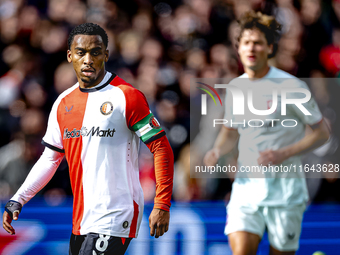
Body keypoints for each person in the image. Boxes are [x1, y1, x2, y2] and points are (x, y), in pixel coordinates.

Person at [2, 23, 174, 255]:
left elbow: (161, 147)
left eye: (95, 52)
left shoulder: (127, 96)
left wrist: (162, 204)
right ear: (70, 55)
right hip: (82, 218)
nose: (88, 59)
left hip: (116, 214)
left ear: (106, 55)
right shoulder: (63, 103)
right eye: (81, 52)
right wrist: (19, 198)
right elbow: (50, 158)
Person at [204, 11, 330, 255]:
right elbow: (230, 132)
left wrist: (284, 153)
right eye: (246, 42)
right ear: (238, 48)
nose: (252, 48)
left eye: (258, 42)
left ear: (270, 48)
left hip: (285, 192)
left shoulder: (292, 86)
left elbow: (322, 133)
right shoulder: (236, 87)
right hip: (246, 189)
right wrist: (217, 150)